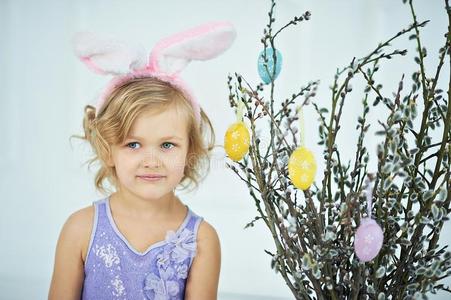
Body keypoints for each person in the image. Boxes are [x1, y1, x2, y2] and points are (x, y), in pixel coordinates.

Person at [48, 21, 236, 300]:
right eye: (133, 144)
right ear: (108, 150)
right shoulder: (80, 230)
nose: (151, 160)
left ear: (190, 151)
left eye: (167, 145)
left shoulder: (202, 241)